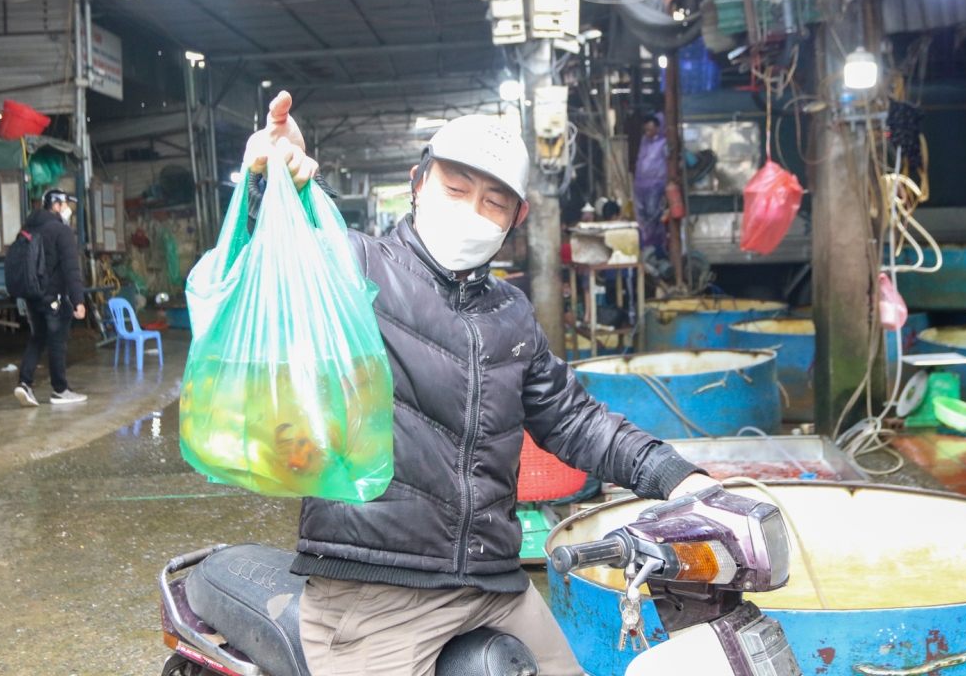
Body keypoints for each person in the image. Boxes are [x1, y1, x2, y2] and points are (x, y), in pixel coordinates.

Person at [244, 92, 718, 676]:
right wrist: (270, 187)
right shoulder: (354, 267)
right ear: (418, 181)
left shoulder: (510, 313)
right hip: (375, 595)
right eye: (454, 189)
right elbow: (272, 269)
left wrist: (678, 477)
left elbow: (573, 420)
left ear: (515, 219)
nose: (472, 210)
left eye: (493, 201)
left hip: (493, 586)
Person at [13, 189, 87, 407]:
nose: (68, 208)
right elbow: (71, 268)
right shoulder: (60, 231)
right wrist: (78, 301)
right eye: (65, 204)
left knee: (38, 338)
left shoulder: (28, 228)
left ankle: (24, 383)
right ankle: (60, 390)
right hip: (54, 296)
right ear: (56, 206)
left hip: (32, 295)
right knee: (57, 342)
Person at [634, 113, 668, 258]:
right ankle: (645, 248)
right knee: (642, 219)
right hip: (641, 186)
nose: (647, 133)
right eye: (646, 130)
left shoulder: (665, 143)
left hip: (656, 185)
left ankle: (657, 251)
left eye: (650, 130)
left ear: (658, 128)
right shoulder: (644, 141)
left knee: (654, 218)